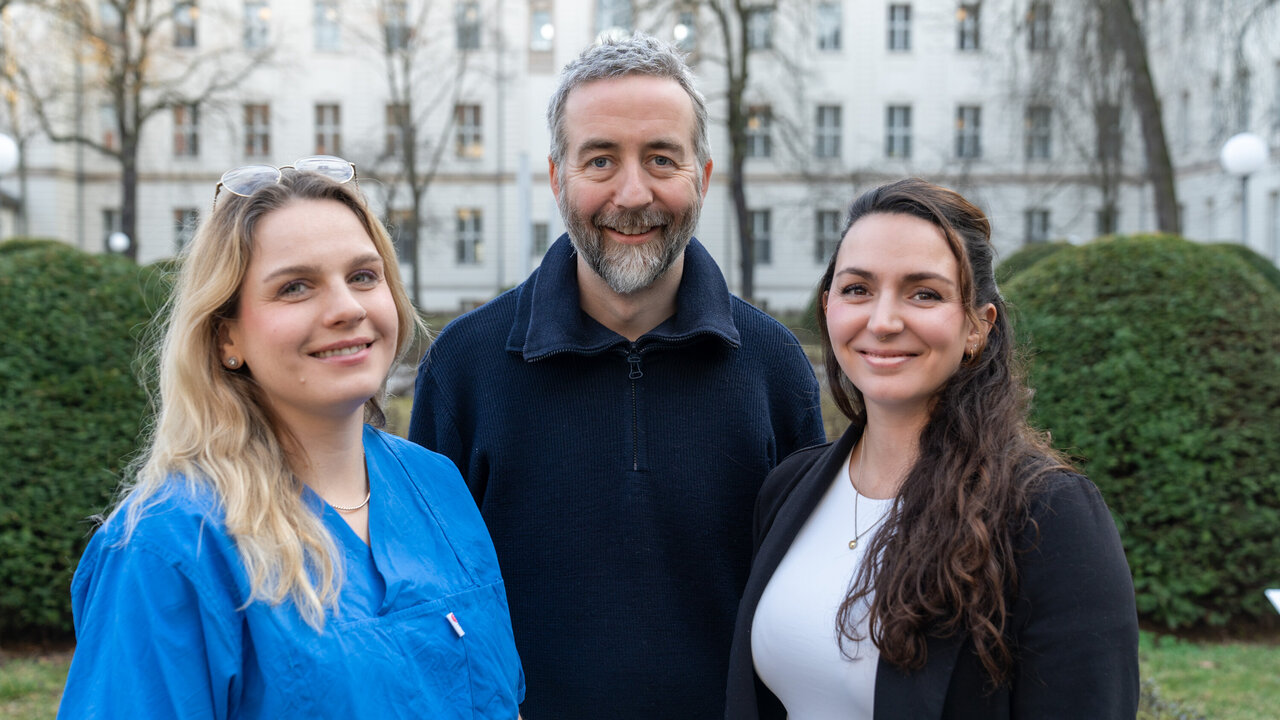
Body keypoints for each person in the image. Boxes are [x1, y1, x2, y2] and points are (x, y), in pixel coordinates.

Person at [409, 34, 826, 719]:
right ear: (557, 178)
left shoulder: (774, 367)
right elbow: (427, 608)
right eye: (600, 160)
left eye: (661, 158)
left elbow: (804, 606)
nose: (632, 194)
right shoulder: (464, 367)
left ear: (703, 176)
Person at [58, 157, 524, 719]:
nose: (347, 308)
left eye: (363, 276)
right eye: (296, 287)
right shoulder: (172, 547)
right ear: (226, 337)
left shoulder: (436, 486)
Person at [725, 178, 1139, 719]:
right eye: (857, 289)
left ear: (977, 326)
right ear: (827, 308)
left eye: (924, 293)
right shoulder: (789, 489)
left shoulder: (1046, 516)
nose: (883, 321)